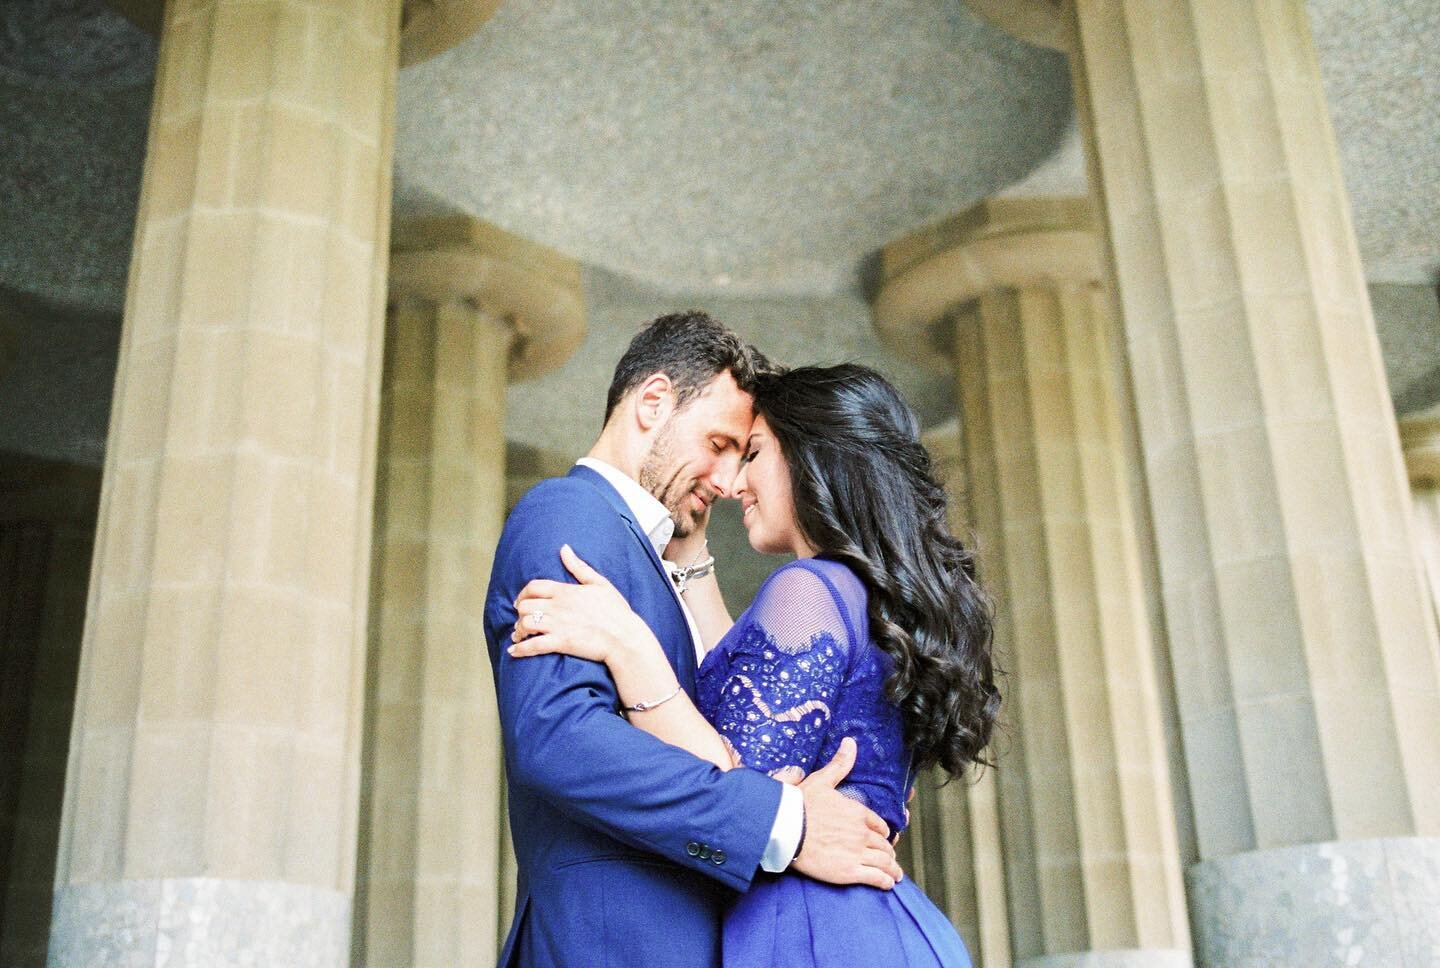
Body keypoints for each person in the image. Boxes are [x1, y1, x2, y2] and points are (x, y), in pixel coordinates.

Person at [509, 362, 998, 966]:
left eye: (753, 453)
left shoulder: (808, 588)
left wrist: (630, 649)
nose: (735, 482)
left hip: (812, 930)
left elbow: (733, 774)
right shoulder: (857, 595)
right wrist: (691, 556)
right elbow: (747, 688)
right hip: (872, 923)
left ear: (811, 459)